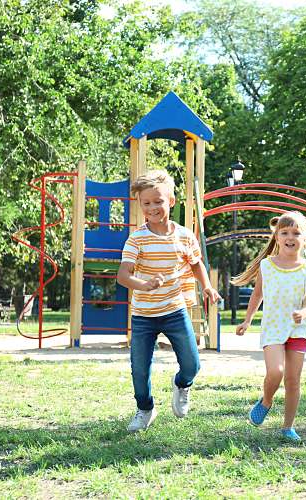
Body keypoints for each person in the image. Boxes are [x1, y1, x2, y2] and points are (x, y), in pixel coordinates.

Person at [117, 169, 221, 433]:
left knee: (192, 364)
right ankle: (145, 409)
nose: (152, 208)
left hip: (175, 310)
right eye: (146, 203)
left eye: (158, 201)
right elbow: (123, 276)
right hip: (143, 315)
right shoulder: (136, 239)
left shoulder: (185, 236)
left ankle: (182, 385)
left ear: (171, 201)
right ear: (140, 205)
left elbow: (196, 263)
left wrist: (207, 287)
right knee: (139, 371)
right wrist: (145, 284)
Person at [234, 211, 306, 443]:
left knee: (293, 379)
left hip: (299, 330)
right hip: (272, 327)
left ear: (305, 237)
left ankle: (288, 427)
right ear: (277, 236)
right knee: (276, 372)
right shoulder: (267, 265)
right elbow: (258, 293)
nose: (290, 237)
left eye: (296, 233)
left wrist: (304, 312)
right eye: (285, 233)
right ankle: (266, 401)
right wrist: (248, 319)